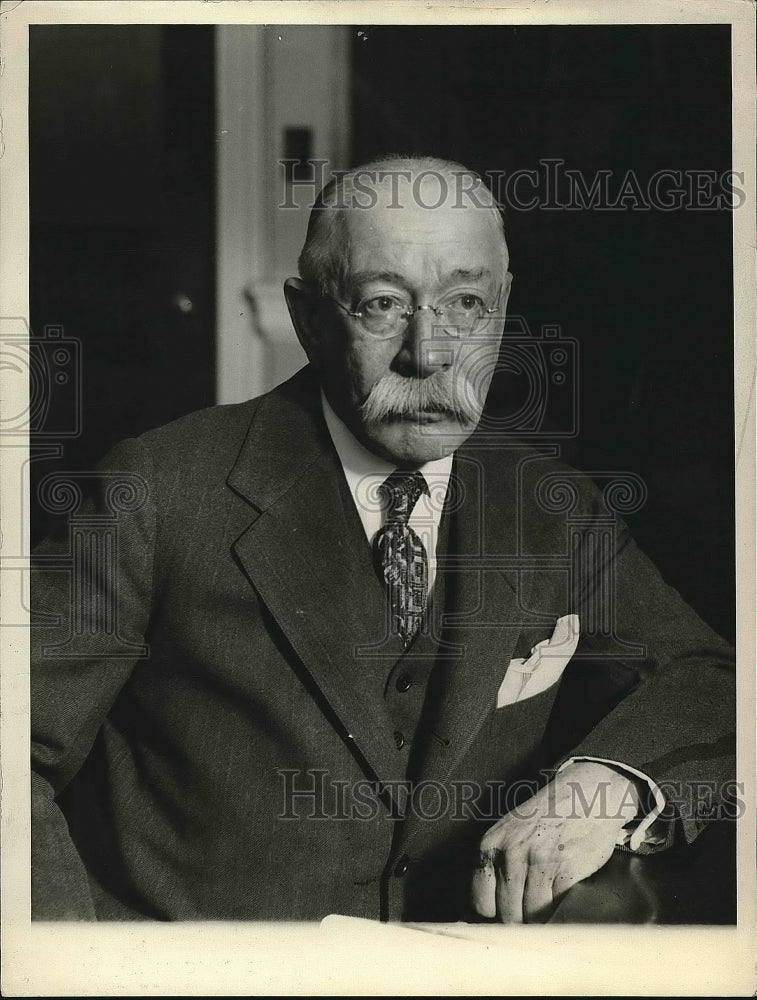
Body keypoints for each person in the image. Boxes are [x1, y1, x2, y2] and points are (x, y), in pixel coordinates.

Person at [31, 156, 735, 923]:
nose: (428, 351)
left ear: (501, 311)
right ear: (307, 319)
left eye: (465, 303)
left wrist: (606, 783)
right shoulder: (158, 488)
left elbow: (707, 679)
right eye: (381, 304)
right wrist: (81, 962)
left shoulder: (548, 503)